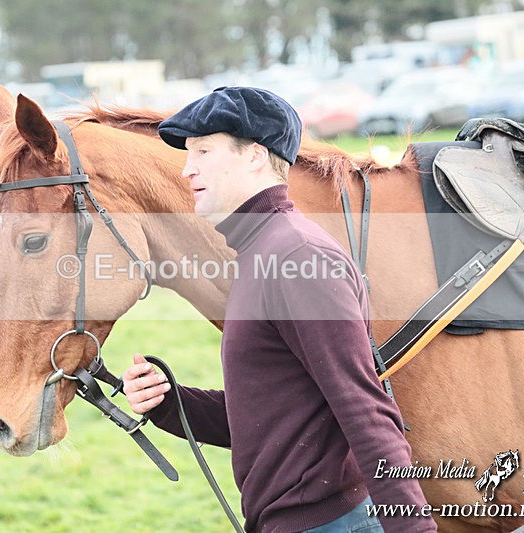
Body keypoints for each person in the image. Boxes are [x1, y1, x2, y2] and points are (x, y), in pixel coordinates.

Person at [122, 87, 437, 533]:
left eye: (204, 151)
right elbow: (272, 420)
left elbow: (363, 406)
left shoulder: (296, 258)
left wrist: (412, 528)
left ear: (254, 156)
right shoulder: (265, 251)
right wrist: (169, 403)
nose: (187, 169)